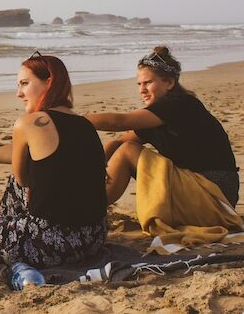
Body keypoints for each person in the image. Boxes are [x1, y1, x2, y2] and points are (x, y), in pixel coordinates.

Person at [0, 52, 107, 268]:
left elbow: (22, 179)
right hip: (93, 238)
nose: (19, 93)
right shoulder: (85, 124)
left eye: (24, 84)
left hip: (49, 247)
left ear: (49, 83)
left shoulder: (27, 123)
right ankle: (13, 230)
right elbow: (46, 155)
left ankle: (12, 237)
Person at [86, 46, 239, 207]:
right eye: (139, 84)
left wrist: (73, 120)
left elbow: (119, 122)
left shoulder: (181, 105)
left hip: (215, 192)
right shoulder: (156, 116)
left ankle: (89, 212)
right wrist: (96, 168)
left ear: (170, 83)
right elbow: (118, 142)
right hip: (195, 189)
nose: (142, 90)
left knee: (128, 151)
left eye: (148, 83)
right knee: (124, 147)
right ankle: (90, 205)